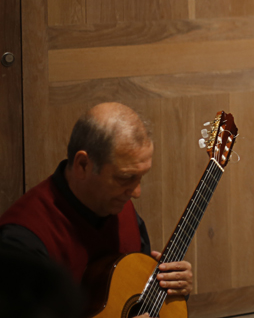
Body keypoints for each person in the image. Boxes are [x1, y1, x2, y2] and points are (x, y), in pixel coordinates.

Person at [0, 102, 193, 315]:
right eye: (125, 178)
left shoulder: (123, 211)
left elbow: (138, 302)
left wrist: (171, 287)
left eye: (141, 178)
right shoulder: (22, 240)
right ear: (83, 165)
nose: (137, 192)